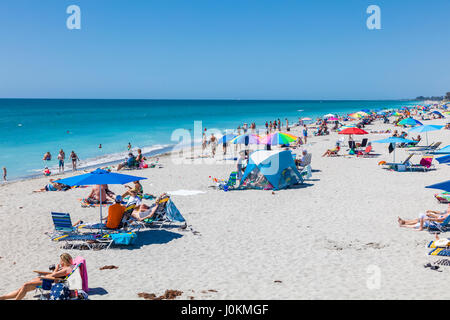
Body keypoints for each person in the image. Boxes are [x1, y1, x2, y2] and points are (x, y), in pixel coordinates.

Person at [0, 253, 74, 300]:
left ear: (64, 261)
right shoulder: (67, 267)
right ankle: (3, 297)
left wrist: (56, 269)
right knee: (22, 288)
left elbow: (54, 275)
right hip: (45, 279)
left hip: (47, 282)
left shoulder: (66, 269)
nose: (60, 262)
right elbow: (56, 274)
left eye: (61, 260)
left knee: (25, 286)